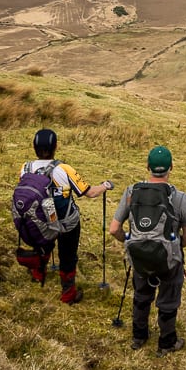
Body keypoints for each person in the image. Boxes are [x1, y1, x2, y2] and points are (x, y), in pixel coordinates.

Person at [109, 145, 186, 356]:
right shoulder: (180, 198)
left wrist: (130, 242)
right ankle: (166, 343)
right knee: (168, 300)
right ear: (171, 168)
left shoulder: (131, 192)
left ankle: (139, 337)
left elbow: (114, 229)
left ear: (147, 167)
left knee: (141, 295)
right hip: (169, 259)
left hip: (139, 258)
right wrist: (175, 249)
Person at [22, 128, 113, 304]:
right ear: (55, 147)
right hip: (66, 222)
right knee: (68, 255)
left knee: (44, 243)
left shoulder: (26, 168)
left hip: (39, 220)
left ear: (34, 147)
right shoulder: (64, 169)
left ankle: (38, 272)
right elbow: (90, 193)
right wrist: (106, 185)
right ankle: (68, 294)